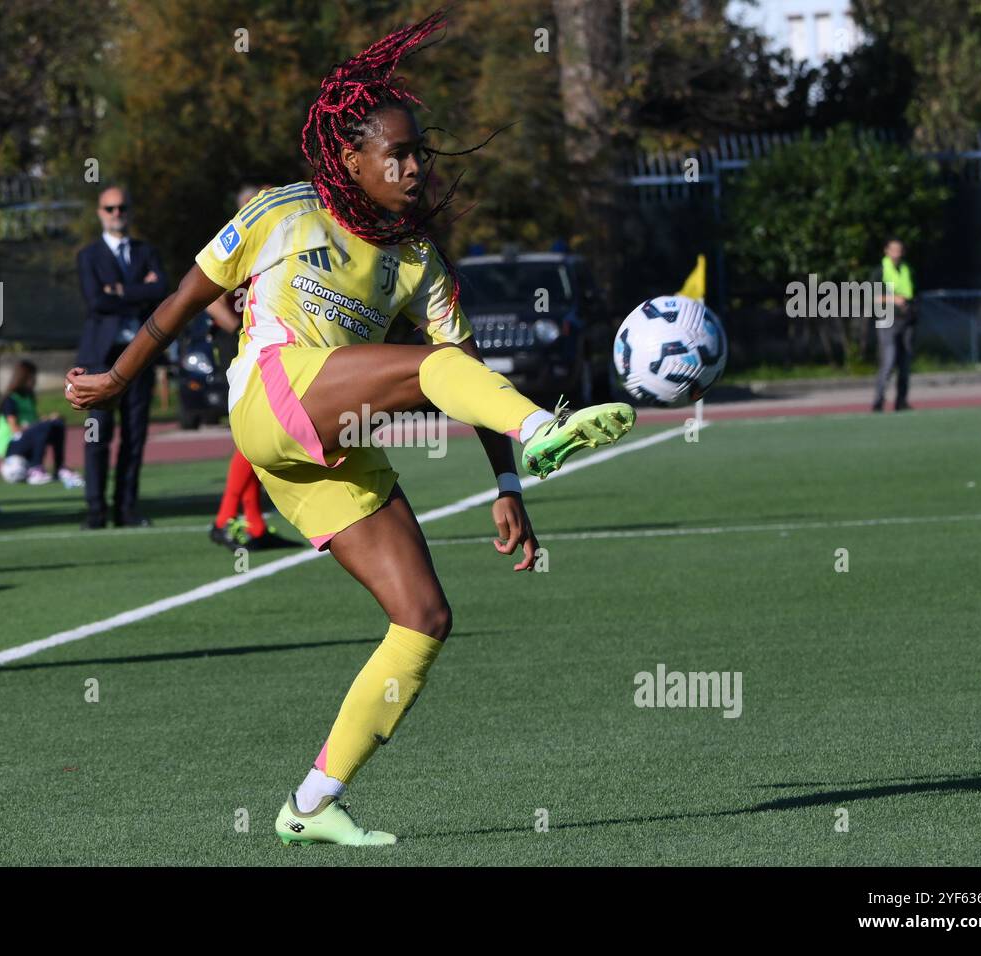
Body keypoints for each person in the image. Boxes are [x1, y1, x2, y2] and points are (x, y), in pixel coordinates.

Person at [66, 11, 636, 847]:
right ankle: (545, 428)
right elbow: (184, 298)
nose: (412, 169)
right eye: (396, 155)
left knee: (424, 617)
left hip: (325, 447)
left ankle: (311, 803)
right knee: (418, 363)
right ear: (352, 158)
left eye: (418, 155)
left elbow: (464, 367)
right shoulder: (281, 211)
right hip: (271, 397)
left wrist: (507, 483)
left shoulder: (416, 258)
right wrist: (118, 378)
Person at [206, 183, 299, 552]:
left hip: (263, 343)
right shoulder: (236, 239)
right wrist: (240, 326)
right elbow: (209, 296)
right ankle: (225, 520)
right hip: (241, 344)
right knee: (251, 436)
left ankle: (253, 523)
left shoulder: (274, 243)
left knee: (254, 435)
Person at [75, 185, 169, 529]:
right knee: (96, 435)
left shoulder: (146, 252)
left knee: (135, 434)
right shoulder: (88, 256)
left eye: (122, 208)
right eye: (110, 208)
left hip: (138, 355)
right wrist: (138, 291)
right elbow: (96, 301)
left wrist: (119, 291)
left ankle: (127, 508)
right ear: (100, 212)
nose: (117, 214)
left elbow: (161, 292)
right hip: (101, 357)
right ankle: (95, 511)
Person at [0, 359, 83, 488]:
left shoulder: (29, 397)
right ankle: (35, 468)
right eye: (32, 377)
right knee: (44, 427)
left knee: (56, 424)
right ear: (24, 377)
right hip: (11, 445)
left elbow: (33, 423)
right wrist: (41, 424)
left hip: (26, 438)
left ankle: (60, 468)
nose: (34, 380)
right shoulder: (10, 399)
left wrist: (49, 420)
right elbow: (15, 429)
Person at [873, 238, 917, 412]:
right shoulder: (880, 271)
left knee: (905, 363)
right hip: (887, 319)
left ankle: (901, 400)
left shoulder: (907, 270)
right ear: (886, 251)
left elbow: (913, 293)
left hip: (907, 321)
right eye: (893, 250)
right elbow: (873, 297)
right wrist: (894, 299)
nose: (897, 253)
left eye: (900, 250)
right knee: (888, 361)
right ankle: (878, 400)